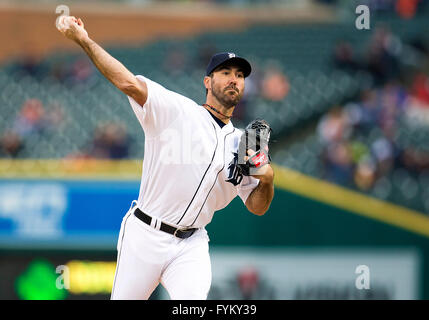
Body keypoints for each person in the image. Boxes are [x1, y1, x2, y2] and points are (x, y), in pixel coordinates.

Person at [56, 16, 274, 300]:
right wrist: (84, 40)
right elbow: (127, 82)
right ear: (207, 81)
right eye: (226, 72)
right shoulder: (176, 110)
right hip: (145, 234)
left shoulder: (245, 143)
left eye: (240, 75)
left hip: (191, 243)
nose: (234, 79)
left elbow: (257, 207)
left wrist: (267, 179)